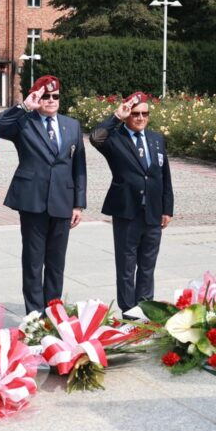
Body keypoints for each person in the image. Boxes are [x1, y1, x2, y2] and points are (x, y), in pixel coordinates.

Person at [0, 75, 87, 314]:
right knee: (33, 262)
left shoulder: (71, 125)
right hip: (33, 201)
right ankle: (34, 315)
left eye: (55, 96)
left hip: (63, 201)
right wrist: (24, 106)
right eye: (45, 96)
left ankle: (53, 311)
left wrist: (78, 204)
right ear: (36, 98)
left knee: (56, 262)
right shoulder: (24, 122)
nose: (51, 100)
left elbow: (79, 167)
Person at [90, 92, 174, 317]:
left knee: (148, 265)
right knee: (127, 266)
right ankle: (129, 311)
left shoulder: (156, 139)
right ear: (128, 115)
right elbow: (95, 137)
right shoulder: (115, 138)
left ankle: (146, 308)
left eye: (145, 114)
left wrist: (168, 208)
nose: (140, 118)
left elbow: (163, 175)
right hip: (127, 211)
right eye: (135, 114)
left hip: (153, 212)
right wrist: (117, 116)